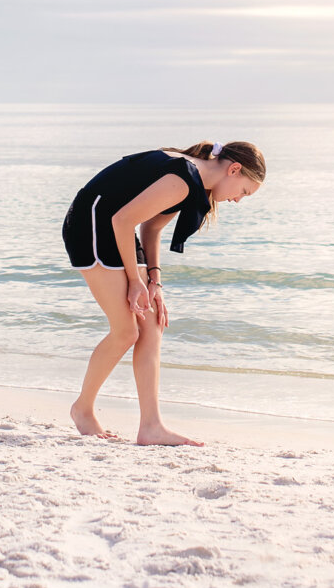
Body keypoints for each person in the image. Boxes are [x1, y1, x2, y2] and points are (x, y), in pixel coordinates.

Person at [61, 140, 266, 445]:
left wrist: (153, 281)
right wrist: (134, 281)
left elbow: (151, 229)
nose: (238, 200)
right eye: (244, 191)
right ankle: (83, 409)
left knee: (152, 321)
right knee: (126, 332)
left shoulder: (194, 181)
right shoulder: (183, 179)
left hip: (115, 227)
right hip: (91, 224)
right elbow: (122, 220)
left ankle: (151, 426)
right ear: (234, 170)